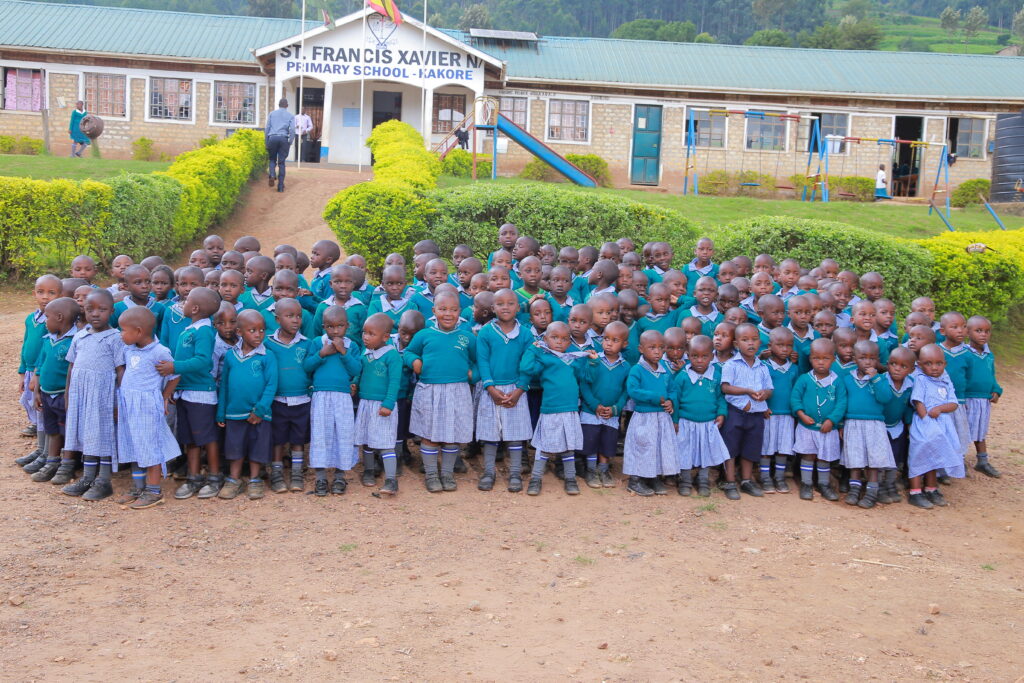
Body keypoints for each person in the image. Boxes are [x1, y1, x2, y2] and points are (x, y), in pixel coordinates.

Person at [56, 290, 125, 501]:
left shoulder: (116, 338)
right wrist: (68, 395)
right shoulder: (80, 336)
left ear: (111, 311)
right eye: (90, 309)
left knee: (102, 436)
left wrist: (120, 402)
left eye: (102, 309)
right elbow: (72, 367)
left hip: (103, 398)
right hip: (80, 396)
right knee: (86, 435)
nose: (95, 314)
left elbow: (121, 371)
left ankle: (103, 481)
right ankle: (87, 478)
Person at [405, 291, 477, 493]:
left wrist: (474, 374)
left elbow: (478, 360)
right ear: (434, 310)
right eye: (443, 309)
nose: (448, 314)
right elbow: (409, 352)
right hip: (430, 391)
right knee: (430, 435)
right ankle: (431, 475)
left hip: (458, 391)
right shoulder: (424, 335)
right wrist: (414, 361)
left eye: (453, 310)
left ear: (460, 311)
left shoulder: (467, 337)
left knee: (452, 435)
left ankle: (447, 473)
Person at [158, 287, 222, 500]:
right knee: (190, 439)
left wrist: (174, 367)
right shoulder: (190, 329)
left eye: (186, 302)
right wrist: (175, 388)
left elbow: (203, 361)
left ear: (194, 309)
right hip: (185, 392)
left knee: (207, 438)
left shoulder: (204, 331)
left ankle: (214, 477)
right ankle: (194, 477)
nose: (182, 304)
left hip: (200, 394)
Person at [114, 307, 181, 509]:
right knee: (134, 444)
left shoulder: (159, 352)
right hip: (129, 405)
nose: (120, 334)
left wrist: (164, 397)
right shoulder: (129, 349)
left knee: (150, 447)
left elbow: (175, 375)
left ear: (139, 331)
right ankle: (138, 487)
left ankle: (153, 490)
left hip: (147, 407)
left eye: (123, 330)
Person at [518, 321, 594, 496]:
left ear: (569, 342)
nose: (559, 342)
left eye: (564, 339)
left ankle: (570, 478)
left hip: (570, 409)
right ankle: (536, 479)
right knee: (543, 446)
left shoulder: (574, 360)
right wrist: (533, 350)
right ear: (545, 339)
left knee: (568, 446)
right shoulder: (545, 358)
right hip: (550, 410)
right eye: (554, 337)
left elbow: (586, 378)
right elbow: (526, 369)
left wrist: (593, 363)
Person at [216, 310, 278, 500]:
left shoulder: (267, 356)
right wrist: (221, 411)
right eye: (252, 330)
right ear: (239, 332)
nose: (258, 334)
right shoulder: (231, 356)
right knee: (235, 446)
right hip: (234, 413)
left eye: (262, 330)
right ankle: (234, 479)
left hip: (259, 413)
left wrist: (261, 409)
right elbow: (224, 385)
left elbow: (271, 384)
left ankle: (254, 479)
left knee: (257, 447)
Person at [475, 290, 533, 492]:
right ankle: (488, 472)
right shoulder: (486, 332)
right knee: (490, 434)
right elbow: (482, 361)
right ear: (493, 308)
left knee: (516, 434)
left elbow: (528, 364)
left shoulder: (526, 334)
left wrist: (520, 390)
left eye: (510, 303)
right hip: (491, 389)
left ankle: (515, 473)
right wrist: (490, 387)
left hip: (516, 390)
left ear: (518, 307)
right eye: (500, 304)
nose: (505, 307)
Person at [303, 306, 361, 495]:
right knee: (320, 435)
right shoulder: (317, 343)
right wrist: (322, 354)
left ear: (347, 326)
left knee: (343, 434)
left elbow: (356, 370)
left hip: (343, 397)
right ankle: (320, 478)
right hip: (320, 396)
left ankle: (339, 477)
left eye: (340, 326)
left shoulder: (352, 346)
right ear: (323, 327)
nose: (335, 331)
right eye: (330, 326)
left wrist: (343, 352)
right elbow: (307, 366)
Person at [27, 298, 79, 482]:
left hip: (64, 395)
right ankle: (52, 462)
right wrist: (37, 391)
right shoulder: (48, 339)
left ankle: (67, 466)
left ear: (59, 317)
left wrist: (69, 395)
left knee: (68, 431)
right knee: (52, 430)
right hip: (46, 393)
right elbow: (40, 366)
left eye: (47, 317)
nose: (45, 321)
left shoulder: (75, 340)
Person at [719, 323, 774, 500]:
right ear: (736, 344)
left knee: (750, 448)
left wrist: (765, 393)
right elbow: (725, 388)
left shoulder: (763, 367)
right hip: (735, 413)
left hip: (756, 415)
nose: (750, 343)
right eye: (745, 340)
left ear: (760, 342)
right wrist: (747, 391)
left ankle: (746, 481)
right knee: (730, 448)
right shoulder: (731, 365)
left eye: (754, 339)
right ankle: (729, 482)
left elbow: (769, 389)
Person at [839, 340, 895, 509]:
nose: (868, 362)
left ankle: (872, 492)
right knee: (855, 459)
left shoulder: (881, 379)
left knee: (874, 461)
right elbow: (842, 402)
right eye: (863, 358)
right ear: (855, 359)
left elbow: (885, 398)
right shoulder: (847, 379)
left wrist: (875, 378)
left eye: (872, 358)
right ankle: (854, 490)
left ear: (878, 360)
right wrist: (840, 424)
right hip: (853, 423)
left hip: (874, 425)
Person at [265, 299, 312, 494]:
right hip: (277, 401)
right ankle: (276, 474)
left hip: (302, 400)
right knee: (277, 440)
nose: (295, 320)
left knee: (298, 440)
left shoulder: (307, 343)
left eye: (299, 316)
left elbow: (311, 369)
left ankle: (296, 474)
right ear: (277, 319)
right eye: (289, 316)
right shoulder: (268, 343)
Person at [908, 344, 964, 508]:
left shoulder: (946, 380)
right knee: (919, 455)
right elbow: (918, 402)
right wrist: (927, 421)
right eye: (928, 363)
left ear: (944, 364)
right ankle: (915, 492)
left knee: (933, 457)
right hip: (924, 425)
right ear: (919, 364)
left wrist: (940, 408)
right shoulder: (921, 379)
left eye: (938, 363)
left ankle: (931, 489)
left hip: (942, 426)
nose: (934, 367)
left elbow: (953, 403)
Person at [791, 338, 847, 501]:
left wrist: (832, 420)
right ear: (810, 359)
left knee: (824, 458)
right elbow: (795, 398)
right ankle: (806, 484)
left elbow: (841, 403)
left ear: (833, 359)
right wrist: (801, 414)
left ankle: (824, 484)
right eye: (816, 358)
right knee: (808, 455)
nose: (821, 362)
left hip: (828, 429)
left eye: (825, 358)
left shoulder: (837, 381)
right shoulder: (804, 379)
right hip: (807, 427)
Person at [353, 313, 404, 496]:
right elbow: (359, 372)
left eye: (371, 334)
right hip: (365, 403)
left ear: (385, 337)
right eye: (364, 332)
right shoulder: (365, 353)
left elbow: (395, 382)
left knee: (385, 442)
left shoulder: (392, 356)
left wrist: (388, 404)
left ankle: (391, 479)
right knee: (367, 440)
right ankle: (369, 471)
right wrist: (355, 383)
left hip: (383, 405)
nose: (365, 337)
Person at [673, 335, 729, 498]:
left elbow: (721, 397)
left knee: (706, 451)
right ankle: (685, 480)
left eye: (704, 356)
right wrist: (675, 420)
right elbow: (675, 399)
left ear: (712, 356)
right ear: (688, 355)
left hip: (708, 423)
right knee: (685, 451)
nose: (699, 360)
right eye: (694, 356)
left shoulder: (716, 375)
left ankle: (703, 480)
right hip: (686, 422)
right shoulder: (682, 376)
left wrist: (721, 413)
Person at [623, 330, 677, 497]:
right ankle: (635, 480)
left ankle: (653, 477)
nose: (657, 352)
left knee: (658, 447)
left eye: (661, 348)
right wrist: (656, 397)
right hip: (644, 417)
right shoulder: (637, 370)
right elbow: (633, 391)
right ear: (641, 349)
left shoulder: (664, 370)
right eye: (652, 347)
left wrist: (671, 400)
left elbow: (672, 389)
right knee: (643, 447)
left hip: (662, 418)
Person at [16, 275, 61, 466]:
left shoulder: (54, 321)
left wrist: (37, 373)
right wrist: (22, 372)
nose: (45, 297)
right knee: (35, 410)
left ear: (60, 295)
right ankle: (40, 449)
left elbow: (46, 352)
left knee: (43, 411)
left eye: (51, 293)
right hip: (29, 372)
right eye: (41, 292)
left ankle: (45, 452)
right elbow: (26, 344)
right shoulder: (30, 319)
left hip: (40, 373)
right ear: (34, 293)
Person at [964, 315, 1002, 478]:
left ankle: (982, 461)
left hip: (984, 400)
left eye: (987, 331)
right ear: (967, 332)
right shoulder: (964, 353)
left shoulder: (988, 354)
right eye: (978, 331)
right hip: (968, 399)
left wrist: (996, 390)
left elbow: (991, 375)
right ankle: (959, 460)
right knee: (964, 430)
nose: (983, 334)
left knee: (980, 430)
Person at [264, 98, 294, 192]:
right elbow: (292, 130)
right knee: (282, 163)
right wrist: (290, 141)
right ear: (287, 106)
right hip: (284, 139)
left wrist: (266, 141)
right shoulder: (290, 116)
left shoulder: (272, 114)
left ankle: (272, 175)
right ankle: (280, 187)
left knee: (272, 159)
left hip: (272, 138)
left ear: (278, 105)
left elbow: (267, 128)